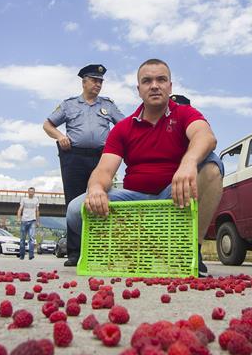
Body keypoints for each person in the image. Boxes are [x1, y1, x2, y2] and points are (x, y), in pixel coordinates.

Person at [65, 59, 223, 277]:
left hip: (175, 195)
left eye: (161, 80)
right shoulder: (123, 128)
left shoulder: (185, 114)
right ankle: (132, 252)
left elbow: (205, 136)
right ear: (139, 89)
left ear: (170, 86)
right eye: (147, 81)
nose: (155, 85)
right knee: (76, 209)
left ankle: (191, 251)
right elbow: (103, 170)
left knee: (212, 165)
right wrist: (96, 189)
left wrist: (188, 163)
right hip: (135, 202)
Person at [44, 64, 125, 266]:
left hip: (102, 158)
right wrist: (60, 136)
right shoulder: (69, 105)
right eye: (94, 80)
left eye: (100, 81)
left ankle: (101, 249)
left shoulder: (108, 105)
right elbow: (48, 124)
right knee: (74, 202)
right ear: (84, 82)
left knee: (102, 200)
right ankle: (75, 252)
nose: (98, 84)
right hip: (74, 157)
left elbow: (123, 125)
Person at [16, 187, 40, 260]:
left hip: (32, 220)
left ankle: (31, 255)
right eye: (30, 192)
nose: (31, 193)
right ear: (28, 192)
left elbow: (37, 211)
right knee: (22, 239)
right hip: (24, 221)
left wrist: (38, 221)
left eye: (32, 192)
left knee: (32, 238)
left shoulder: (36, 200)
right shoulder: (24, 199)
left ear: (34, 193)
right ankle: (22, 255)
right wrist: (18, 218)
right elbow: (20, 209)